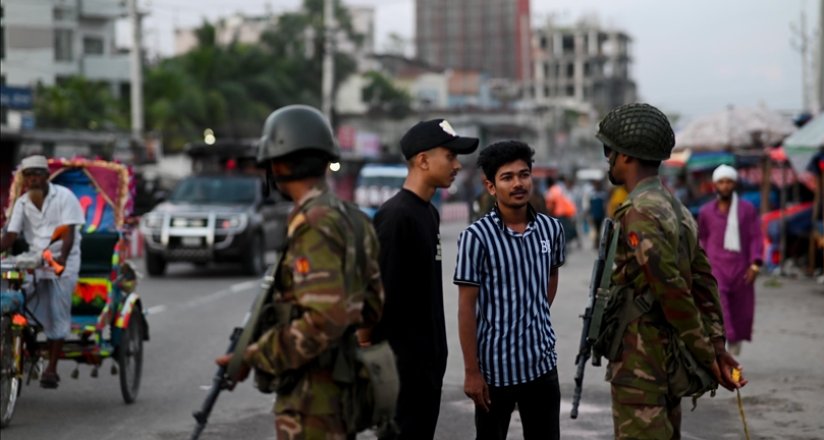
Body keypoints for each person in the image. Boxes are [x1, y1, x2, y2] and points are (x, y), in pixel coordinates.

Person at [215, 105, 384, 439]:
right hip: (343, 391)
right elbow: (373, 305)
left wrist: (254, 356)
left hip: (311, 402)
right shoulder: (354, 219)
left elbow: (324, 318)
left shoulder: (313, 222)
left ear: (277, 164)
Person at [594, 103, 745, 439]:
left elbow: (672, 290)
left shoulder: (639, 212)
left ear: (627, 156)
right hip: (667, 358)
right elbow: (705, 282)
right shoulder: (675, 207)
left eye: (610, 151)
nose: (608, 159)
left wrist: (708, 356)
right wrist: (717, 345)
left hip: (641, 363)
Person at [371, 119, 478, 438]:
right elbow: (378, 298)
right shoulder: (396, 216)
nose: (457, 165)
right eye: (450, 156)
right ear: (422, 160)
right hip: (401, 372)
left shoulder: (428, 213)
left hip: (426, 368)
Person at [454, 140, 565, 440]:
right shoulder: (475, 238)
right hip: (494, 373)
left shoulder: (551, 230)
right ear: (491, 187)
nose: (518, 183)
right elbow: (466, 308)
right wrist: (471, 372)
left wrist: (534, 312)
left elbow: (551, 275)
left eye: (524, 174)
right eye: (507, 177)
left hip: (542, 366)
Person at [0, 155, 85, 389]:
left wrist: (62, 260)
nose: (33, 180)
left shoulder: (64, 197)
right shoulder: (22, 203)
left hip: (62, 259)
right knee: (18, 298)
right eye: (28, 176)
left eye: (37, 175)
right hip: (34, 260)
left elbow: (68, 232)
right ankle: (19, 341)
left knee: (57, 310)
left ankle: (51, 368)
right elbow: (10, 236)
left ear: (47, 176)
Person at [697, 165, 764, 356]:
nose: (725, 186)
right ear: (715, 185)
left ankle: (734, 341)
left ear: (734, 184)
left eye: (728, 182)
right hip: (716, 267)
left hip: (741, 267)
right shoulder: (706, 212)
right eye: (721, 182)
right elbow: (701, 238)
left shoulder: (747, 210)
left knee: (741, 311)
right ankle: (724, 345)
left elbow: (755, 237)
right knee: (721, 307)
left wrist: (755, 264)